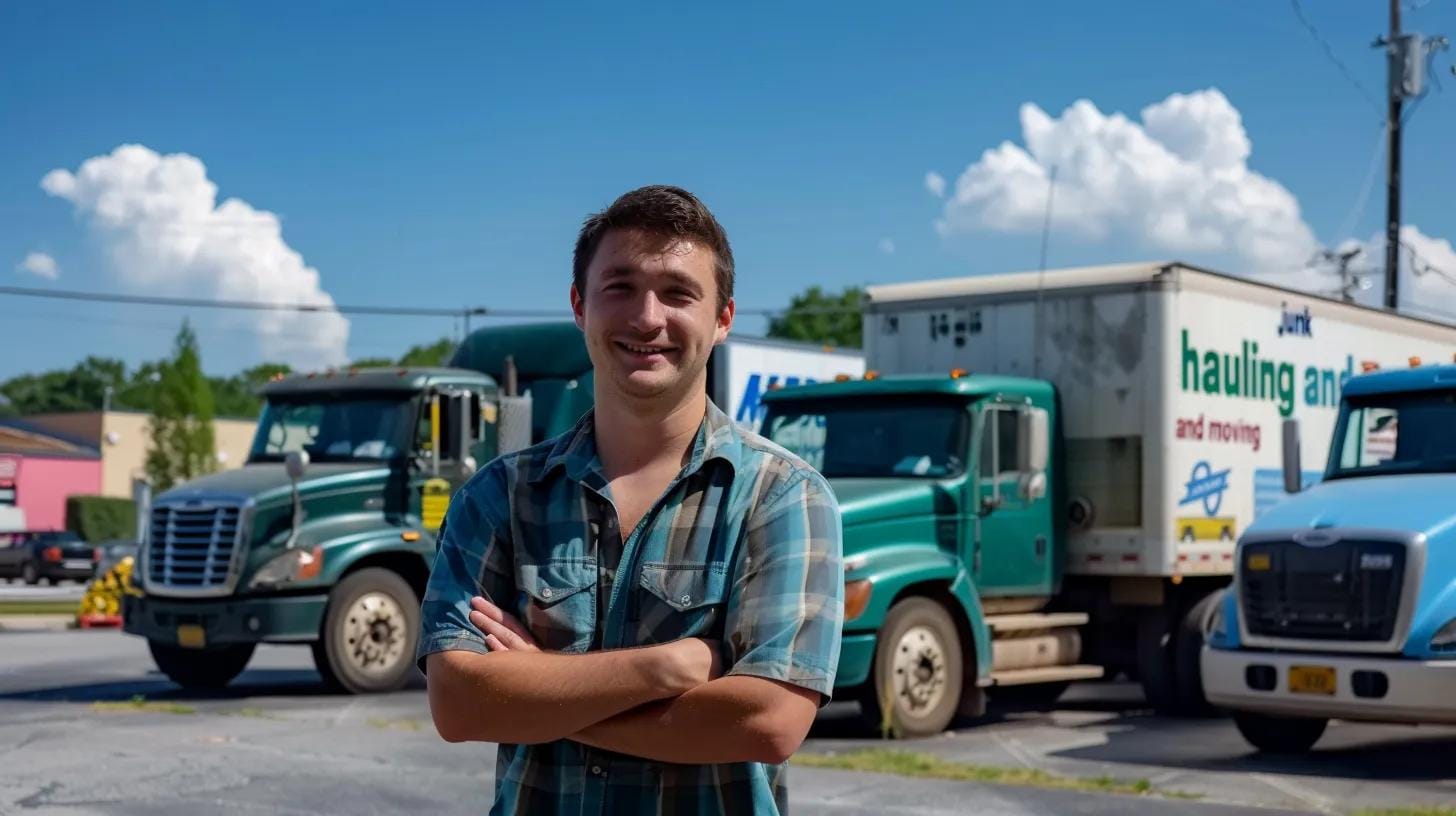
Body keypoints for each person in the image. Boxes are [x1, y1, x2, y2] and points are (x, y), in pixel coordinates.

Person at [417, 185, 844, 815]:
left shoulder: (781, 495)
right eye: (619, 287)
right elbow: (457, 705)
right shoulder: (499, 496)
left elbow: (769, 722)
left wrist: (539, 690)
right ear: (579, 306)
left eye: (678, 292)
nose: (648, 318)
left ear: (723, 318)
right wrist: (666, 668)